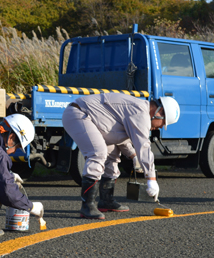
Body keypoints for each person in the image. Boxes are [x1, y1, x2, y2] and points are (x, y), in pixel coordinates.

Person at [62, 92, 180, 220]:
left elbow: (121, 138)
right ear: (159, 112)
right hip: (78, 114)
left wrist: (133, 156)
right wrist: (151, 179)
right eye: (163, 123)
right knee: (98, 153)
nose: (160, 127)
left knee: (112, 154)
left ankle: (106, 201)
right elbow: (143, 146)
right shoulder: (141, 112)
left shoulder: (139, 110)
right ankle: (87, 206)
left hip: (92, 119)